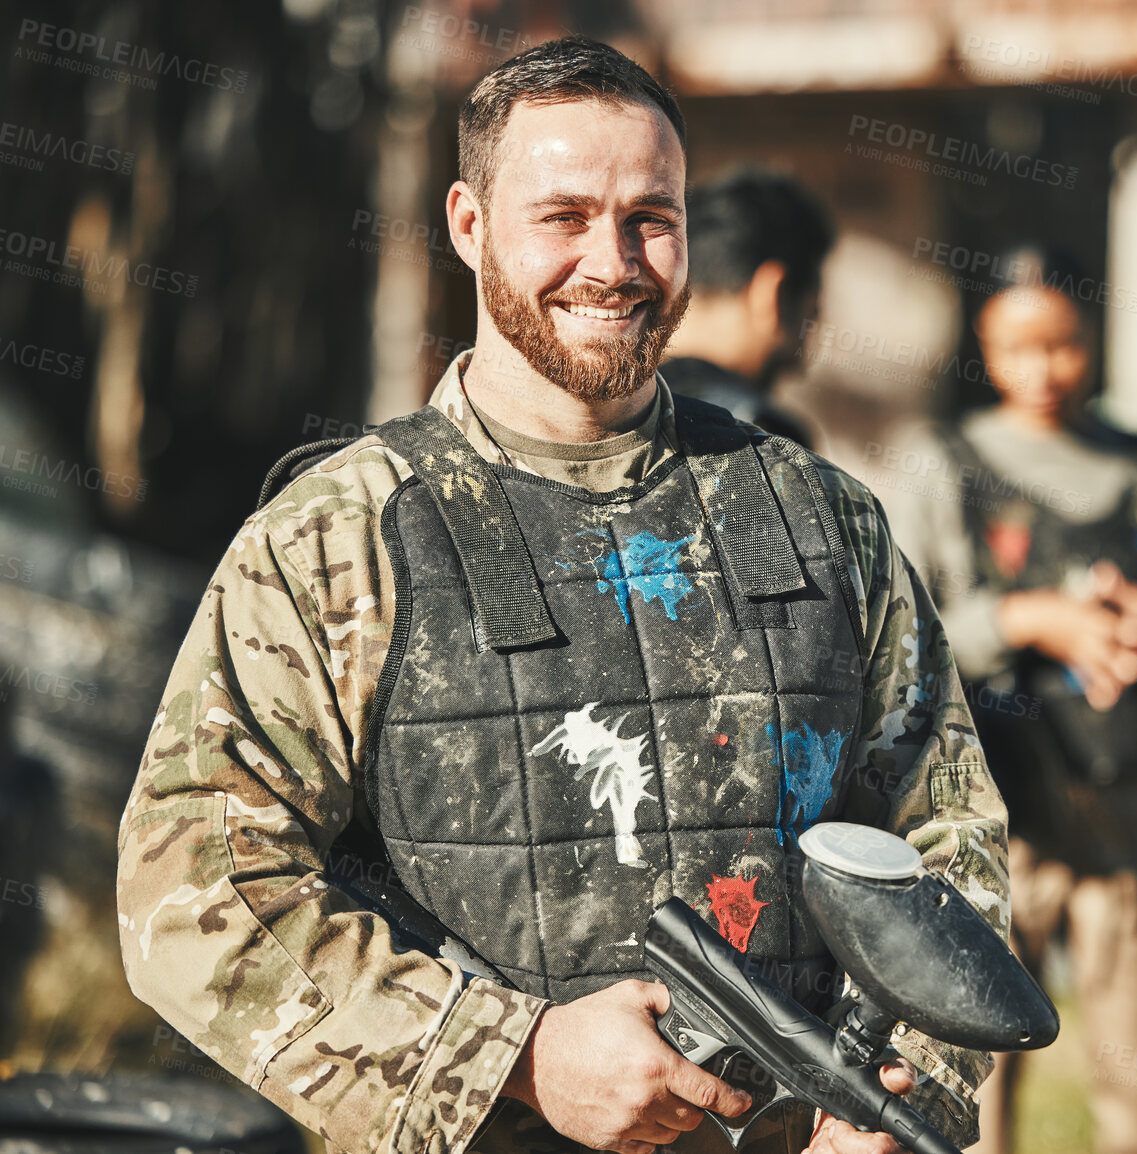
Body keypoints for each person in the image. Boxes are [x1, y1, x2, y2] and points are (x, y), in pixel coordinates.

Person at [116, 36, 1009, 1154]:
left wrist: (901, 1094)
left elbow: (948, 831)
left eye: (651, 216)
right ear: (468, 223)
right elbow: (193, 888)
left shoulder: (823, 519)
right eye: (564, 215)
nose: (615, 260)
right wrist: (516, 1056)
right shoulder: (335, 538)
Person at [885, 249, 1137, 1154]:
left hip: (1133, 806)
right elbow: (902, 638)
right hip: (996, 814)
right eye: (1016, 348)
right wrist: (1025, 617)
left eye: (1064, 345)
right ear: (982, 345)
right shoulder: (942, 467)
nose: (1042, 370)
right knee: (978, 1073)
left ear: (1095, 338)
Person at [658, 169, 834, 447]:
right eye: (811, 315)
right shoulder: (765, 441)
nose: (803, 361)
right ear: (771, 296)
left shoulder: (606, 416)